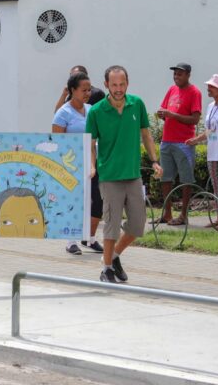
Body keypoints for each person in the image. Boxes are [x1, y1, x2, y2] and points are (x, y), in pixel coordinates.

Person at [86, 65, 162, 284]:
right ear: (107, 84)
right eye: (114, 85)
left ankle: (115, 255)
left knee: (138, 225)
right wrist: (92, 166)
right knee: (111, 225)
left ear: (127, 83)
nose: (118, 89)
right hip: (109, 177)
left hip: (133, 175)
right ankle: (106, 268)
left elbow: (146, 135)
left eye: (122, 84)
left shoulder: (136, 104)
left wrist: (155, 160)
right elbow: (90, 144)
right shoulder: (97, 111)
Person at [53, 72, 104, 255]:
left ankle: (89, 238)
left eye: (89, 89)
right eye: (84, 90)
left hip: (92, 162)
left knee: (98, 200)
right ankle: (70, 240)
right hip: (72, 165)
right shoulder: (63, 113)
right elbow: (57, 142)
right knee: (74, 202)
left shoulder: (92, 110)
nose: (87, 93)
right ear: (73, 90)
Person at [156, 63, 202, 225]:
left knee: (186, 180)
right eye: (175, 74)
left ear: (188, 75)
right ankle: (167, 214)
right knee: (165, 178)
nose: (176, 77)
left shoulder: (194, 92)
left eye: (180, 74)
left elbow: (195, 119)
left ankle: (183, 215)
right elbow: (165, 109)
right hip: (167, 140)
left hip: (184, 143)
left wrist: (172, 115)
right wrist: (163, 114)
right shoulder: (171, 90)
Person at [186, 74, 218, 230]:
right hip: (213, 153)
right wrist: (196, 140)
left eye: (212, 86)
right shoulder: (211, 107)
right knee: (217, 187)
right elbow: (211, 130)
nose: (208, 88)